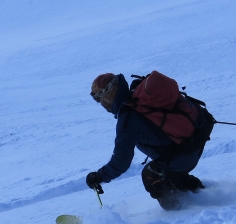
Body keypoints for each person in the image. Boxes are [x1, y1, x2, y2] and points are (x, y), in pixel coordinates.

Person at [86, 73, 209, 210]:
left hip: (183, 154)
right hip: (194, 142)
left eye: (99, 99)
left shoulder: (128, 119)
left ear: (107, 96)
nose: (100, 103)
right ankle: (200, 192)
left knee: (151, 176)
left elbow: (121, 162)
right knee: (165, 169)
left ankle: (179, 212)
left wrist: (98, 177)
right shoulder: (137, 97)